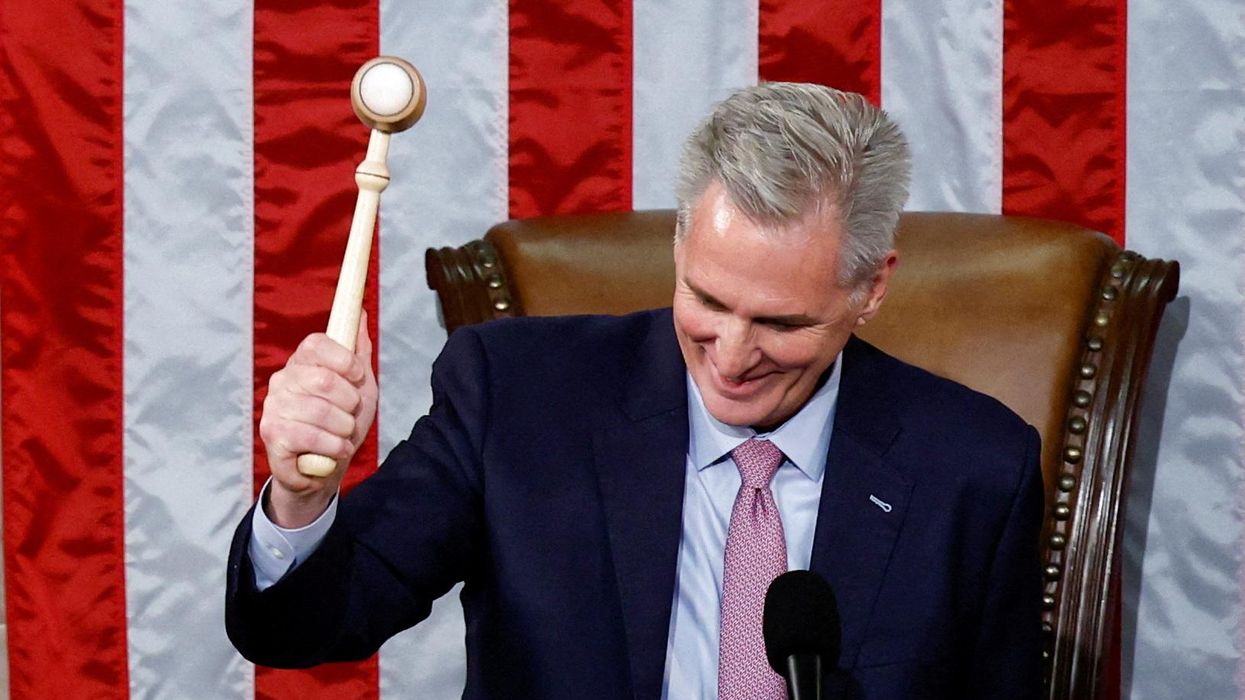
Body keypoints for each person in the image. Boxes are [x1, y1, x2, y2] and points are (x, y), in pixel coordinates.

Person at [226, 82, 1043, 699]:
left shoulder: (973, 468)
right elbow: (304, 627)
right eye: (709, 301)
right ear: (681, 243)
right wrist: (301, 498)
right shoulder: (517, 396)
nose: (731, 356)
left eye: (780, 322)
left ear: (870, 289)